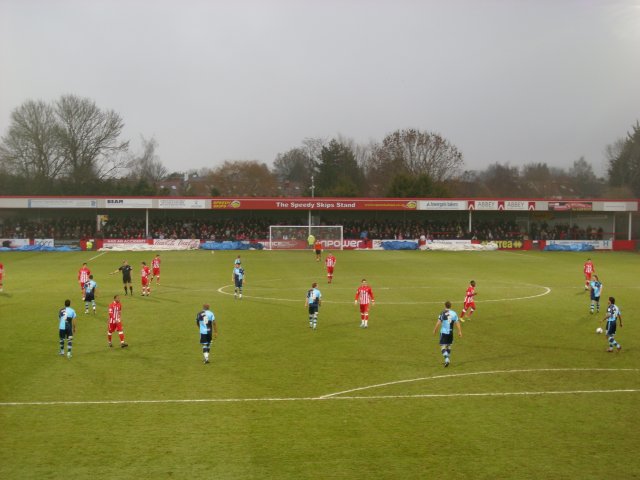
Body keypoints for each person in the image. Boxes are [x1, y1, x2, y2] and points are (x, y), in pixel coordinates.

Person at [433, 301, 462, 367]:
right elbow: (457, 323)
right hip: (451, 333)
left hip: (444, 332)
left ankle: (446, 359)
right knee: (449, 346)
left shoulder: (442, 313)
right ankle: (447, 358)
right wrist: (459, 331)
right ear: (450, 306)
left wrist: (435, 330)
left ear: (445, 305)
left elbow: (438, 322)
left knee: (442, 346)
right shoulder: (454, 313)